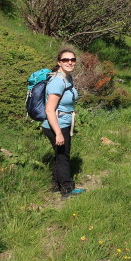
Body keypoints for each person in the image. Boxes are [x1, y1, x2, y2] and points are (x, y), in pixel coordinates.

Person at [41, 49, 85, 198]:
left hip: (64, 122)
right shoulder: (57, 82)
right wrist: (58, 132)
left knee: (59, 154)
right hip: (56, 125)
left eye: (72, 59)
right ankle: (67, 189)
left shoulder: (68, 78)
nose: (70, 62)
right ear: (59, 62)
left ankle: (56, 184)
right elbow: (49, 110)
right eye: (65, 60)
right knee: (63, 156)